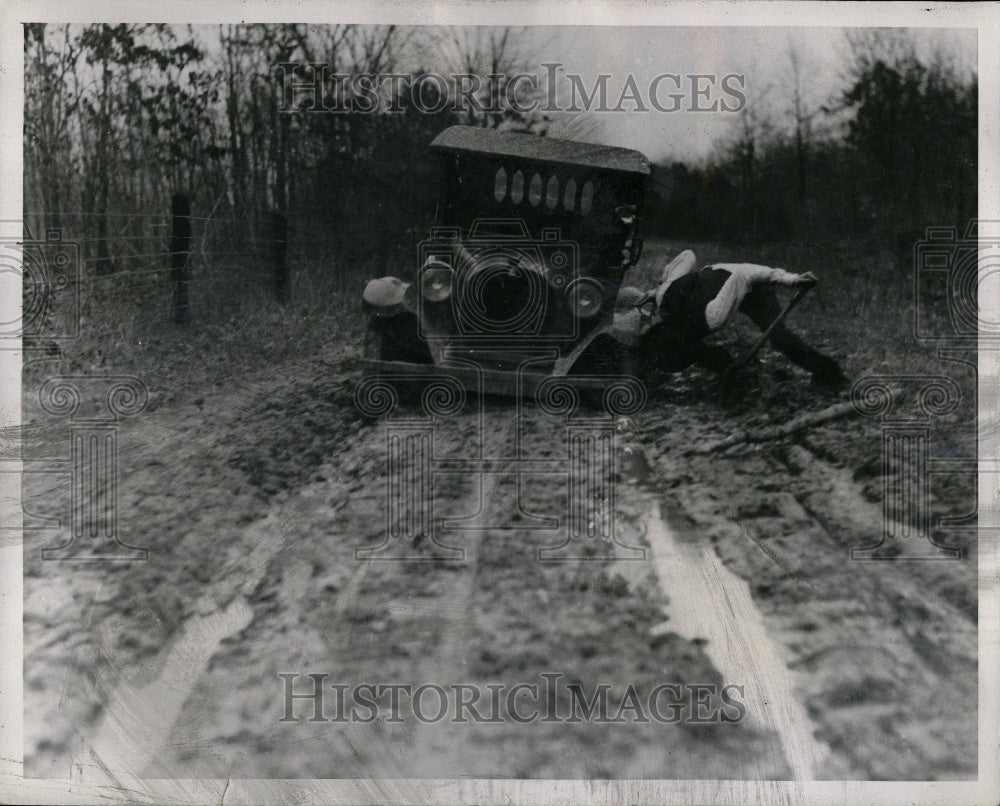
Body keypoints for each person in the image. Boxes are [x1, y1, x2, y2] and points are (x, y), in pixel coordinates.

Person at [629, 250, 848, 394]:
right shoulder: (668, 298)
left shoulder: (707, 315)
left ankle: (830, 375)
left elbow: (745, 274)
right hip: (715, 295)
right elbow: (687, 257)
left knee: (779, 339)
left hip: (754, 287)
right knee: (695, 347)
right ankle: (730, 373)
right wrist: (656, 289)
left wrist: (791, 279)